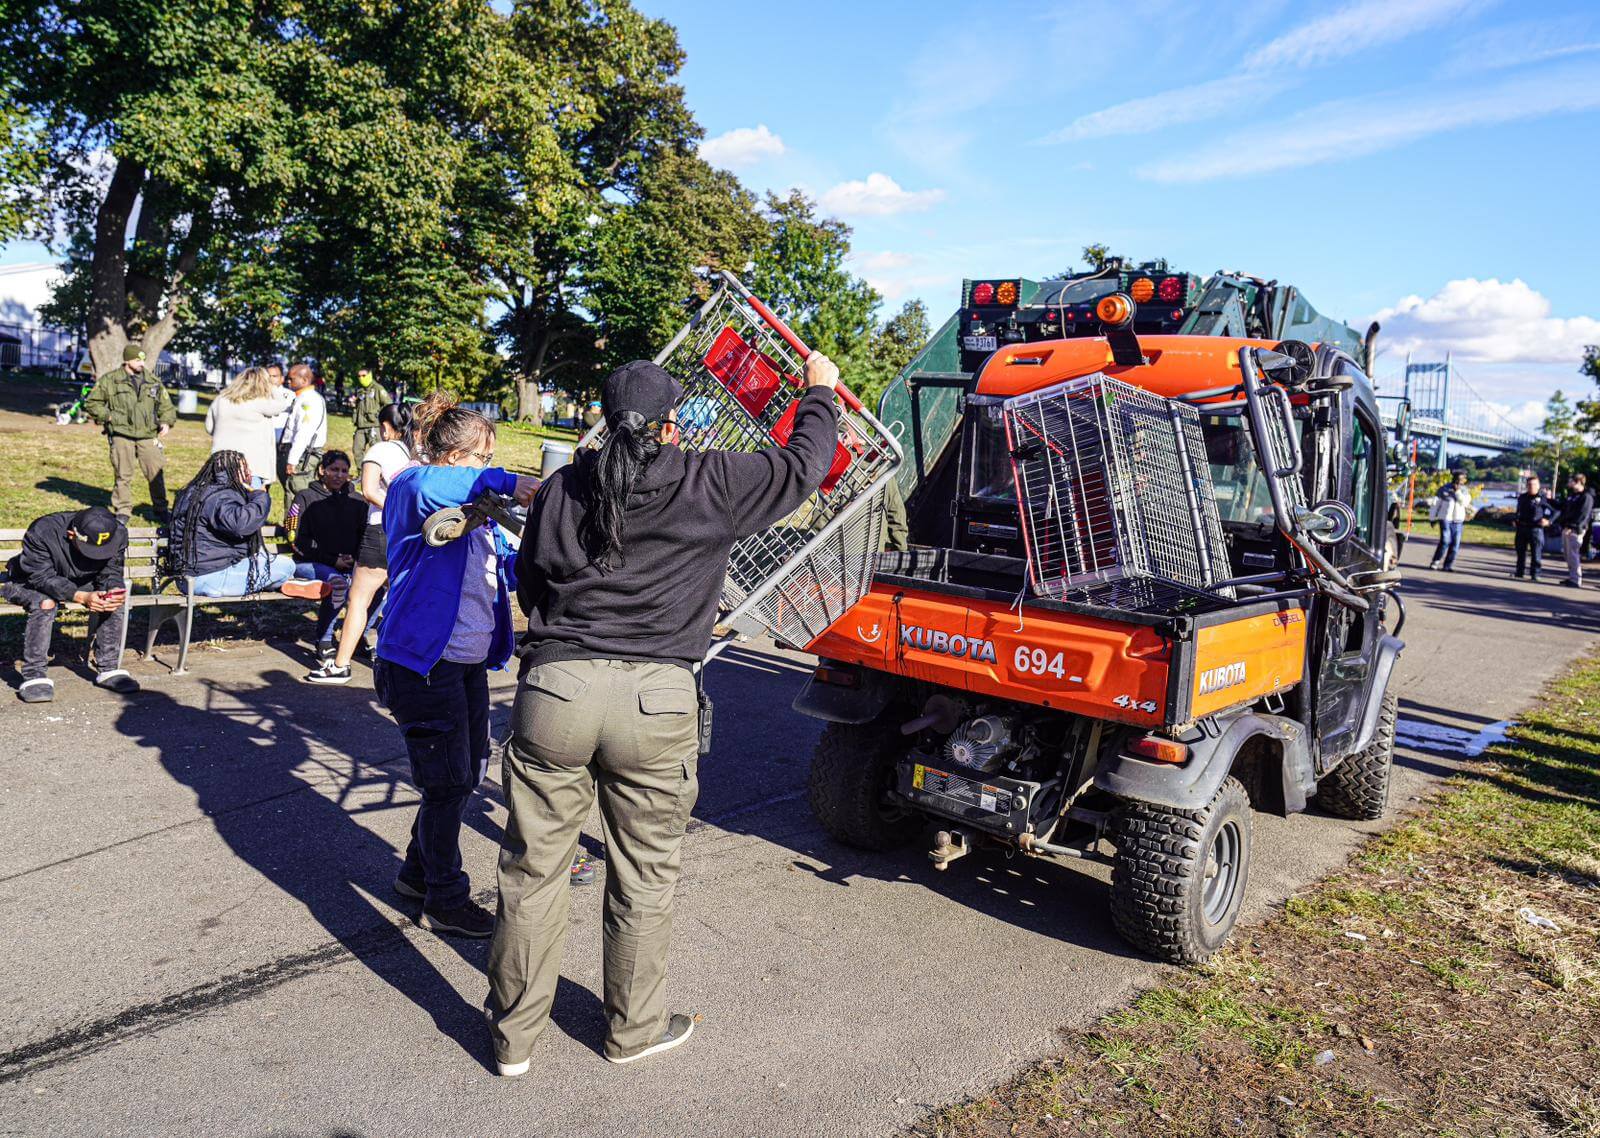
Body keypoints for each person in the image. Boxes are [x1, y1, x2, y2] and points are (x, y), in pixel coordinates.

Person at [486, 353, 842, 1075]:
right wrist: (819, 391)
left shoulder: (563, 486)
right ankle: (631, 1032)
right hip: (658, 699)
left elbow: (530, 582)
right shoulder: (710, 478)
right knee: (643, 875)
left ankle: (512, 1044)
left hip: (556, 690)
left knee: (532, 873)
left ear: (601, 419)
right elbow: (804, 464)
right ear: (675, 423)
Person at [361, 393, 540, 940]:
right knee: (448, 783)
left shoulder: (475, 516)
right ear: (459, 454)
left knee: (464, 776)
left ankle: (417, 873)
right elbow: (439, 488)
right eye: (483, 457)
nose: (488, 468)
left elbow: (505, 567)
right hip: (420, 663)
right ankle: (445, 897)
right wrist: (511, 483)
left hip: (463, 663)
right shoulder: (416, 485)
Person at [306, 403, 414, 685]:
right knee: (403, 599)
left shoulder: (379, 450)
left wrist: (394, 508)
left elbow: (367, 490)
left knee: (358, 600)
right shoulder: (416, 456)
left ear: (384, 427)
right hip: (410, 534)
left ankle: (340, 665)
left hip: (381, 531)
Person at [1, 506, 140, 703]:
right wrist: (80, 596)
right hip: (26, 581)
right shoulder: (43, 530)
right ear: (71, 534)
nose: (97, 555)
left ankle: (109, 669)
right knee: (45, 603)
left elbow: (112, 572)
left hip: (78, 582)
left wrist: (112, 589)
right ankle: (34, 675)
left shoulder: (116, 533)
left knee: (111, 599)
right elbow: (40, 577)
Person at [169, 449, 330, 600]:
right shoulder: (222, 496)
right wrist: (259, 495)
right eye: (245, 469)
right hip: (209, 578)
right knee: (286, 566)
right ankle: (286, 582)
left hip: (187, 576)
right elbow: (242, 525)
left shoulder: (192, 492)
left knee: (264, 559)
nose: (250, 473)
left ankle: (286, 583)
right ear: (233, 472)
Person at [287, 451, 367, 661]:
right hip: (311, 563)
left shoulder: (357, 501)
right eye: (334, 470)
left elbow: (365, 537)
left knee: (380, 586)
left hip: (349, 563)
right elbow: (295, 539)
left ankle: (359, 637)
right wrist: (332, 560)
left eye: (344, 471)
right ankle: (324, 640)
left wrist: (354, 558)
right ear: (322, 470)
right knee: (338, 583)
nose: (339, 475)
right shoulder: (305, 497)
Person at [83, 343, 176, 523]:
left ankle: (161, 509)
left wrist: (166, 421)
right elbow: (92, 402)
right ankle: (123, 510)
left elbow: (167, 406)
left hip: (148, 435)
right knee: (122, 474)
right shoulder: (110, 380)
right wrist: (108, 416)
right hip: (121, 434)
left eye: (143, 360)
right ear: (127, 360)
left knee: (156, 474)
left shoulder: (153, 381)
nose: (141, 363)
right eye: (137, 359)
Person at [205, 366, 293, 493]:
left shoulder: (221, 399)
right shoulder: (259, 401)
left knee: (222, 502)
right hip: (251, 466)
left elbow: (209, 427)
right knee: (249, 507)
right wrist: (272, 386)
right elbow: (281, 404)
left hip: (221, 461)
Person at [281, 364, 328, 497]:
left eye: (291, 378)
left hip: (304, 454)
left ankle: (296, 519)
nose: (287, 381)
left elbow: (304, 432)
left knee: (296, 493)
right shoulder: (301, 397)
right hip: (299, 452)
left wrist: (292, 459)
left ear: (304, 380)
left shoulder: (310, 400)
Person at [1427, 471, 1471, 572]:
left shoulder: (1465, 491)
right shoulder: (1444, 489)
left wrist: (1457, 492)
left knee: (1455, 544)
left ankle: (1447, 565)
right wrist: (1432, 518)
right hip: (1445, 518)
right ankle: (1436, 561)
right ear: (1453, 478)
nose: (1458, 482)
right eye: (1457, 479)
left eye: (1461, 480)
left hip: (1458, 520)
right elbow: (1435, 504)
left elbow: (1464, 503)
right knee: (1445, 541)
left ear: (1464, 481)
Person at [349, 368, 391, 469]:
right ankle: (362, 473)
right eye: (359, 376)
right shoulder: (360, 390)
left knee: (377, 451)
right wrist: (353, 403)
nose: (361, 378)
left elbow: (388, 404)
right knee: (357, 450)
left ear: (369, 375)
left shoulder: (378, 388)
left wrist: (380, 417)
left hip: (374, 426)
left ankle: (379, 473)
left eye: (364, 376)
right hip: (360, 426)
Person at [1556, 472, 1593, 588]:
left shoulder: (1586, 496)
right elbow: (1562, 507)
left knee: (1573, 554)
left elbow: (1583, 515)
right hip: (1567, 528)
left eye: (1571, 481)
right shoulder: (1572, 496)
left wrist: (1573, 527)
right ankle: (1572, 577)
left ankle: (1576, 580)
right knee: (1567, 555)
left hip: (1575, 530)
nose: (1569, 483)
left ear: (1578, 482)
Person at [1512, 474, 1552, 581]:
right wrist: (1516, 519)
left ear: (1538, 486)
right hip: (1522, 527)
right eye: (1529, 484)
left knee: (1536, 553)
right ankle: (1519, 572)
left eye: (1534, 484)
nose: (1531, 487)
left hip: (1536, 529)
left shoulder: (1543, 498)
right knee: (1520, 552)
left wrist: (1549, 521)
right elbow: (1518, 510)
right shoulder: (1522, 497)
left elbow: (1556, 511)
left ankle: (1535, 574)